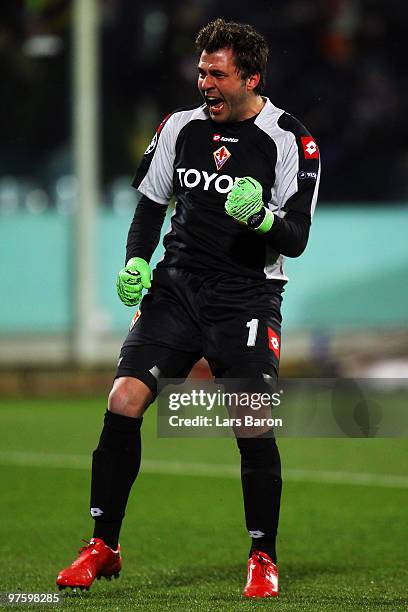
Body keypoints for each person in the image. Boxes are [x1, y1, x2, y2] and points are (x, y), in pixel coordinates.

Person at [57, 18, 320, 598]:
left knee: (251, 421)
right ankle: (103, 544)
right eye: (200, 71)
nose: (204, 82)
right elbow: (151, 208)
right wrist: (135, 261)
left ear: (250, 77)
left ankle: (263, 556)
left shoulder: (290, 141)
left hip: (246, 294)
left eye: (216, 73)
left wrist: (262, 218)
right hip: (176, 289)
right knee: (123, 399)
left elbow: (296, 238)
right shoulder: (178, 128)